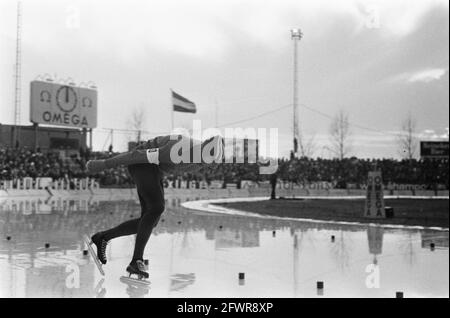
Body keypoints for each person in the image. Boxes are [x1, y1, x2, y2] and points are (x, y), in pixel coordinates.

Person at [86, 134, 223, 279]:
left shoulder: (199, 159)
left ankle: (103, 237)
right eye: (207, 159)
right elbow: (134, 155)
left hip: (154, 171)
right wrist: (104, 164)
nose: (207, 164)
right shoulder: (177, 150)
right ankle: (136, 260)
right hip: (141, 163)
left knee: (151, 219)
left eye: (211, 162)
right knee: (156, 208)